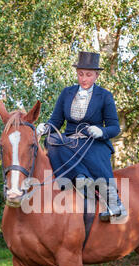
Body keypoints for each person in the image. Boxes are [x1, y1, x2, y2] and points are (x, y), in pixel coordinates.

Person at [37, 51, 127, 222]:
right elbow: (56, 121)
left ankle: (115, 204)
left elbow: (115, 127)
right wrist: (45, 127)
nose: (84, 78)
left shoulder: (105, 96)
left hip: (94, 141)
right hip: (70, 142)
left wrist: (102, 132)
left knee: (93, 154)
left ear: (96, 75)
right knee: (52, 141)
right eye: (80, 74)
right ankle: (79, 180)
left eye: (88, 75)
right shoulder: (67, 93)